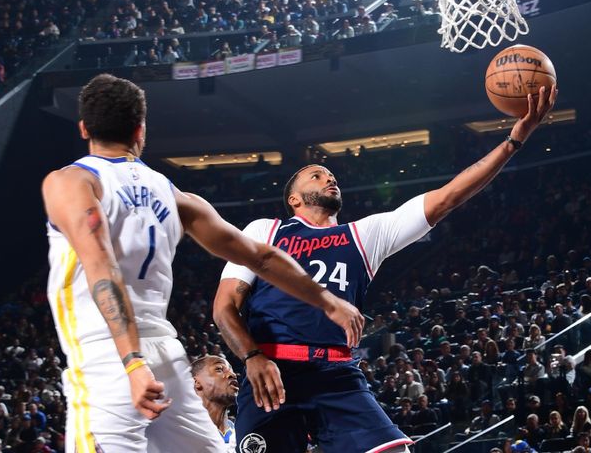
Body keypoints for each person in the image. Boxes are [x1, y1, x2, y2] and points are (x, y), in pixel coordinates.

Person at [214, 87, 557, 453]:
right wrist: (252, 357)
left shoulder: (364, 235)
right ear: (294, 199)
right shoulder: (266, 230)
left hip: (336, 376)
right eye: (316, 175)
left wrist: (513, 141)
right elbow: (223, 308)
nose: (329, 179)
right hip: (271, 370)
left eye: (331, 175)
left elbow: (448, 197)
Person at [43, 74, 363, 453]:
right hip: (166, 353)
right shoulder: (175, 195)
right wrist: (330, 302)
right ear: (140, 130)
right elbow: (260, 256)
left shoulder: (69, 181)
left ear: (83, 128)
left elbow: (101, 267)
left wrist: (131, 363)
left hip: (107, 357)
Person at [191, 355, 239, 452]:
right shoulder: (181, 431)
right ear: (197, 382)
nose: (233, 374)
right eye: (219, 369)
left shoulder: (243, 435)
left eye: (231, 370)